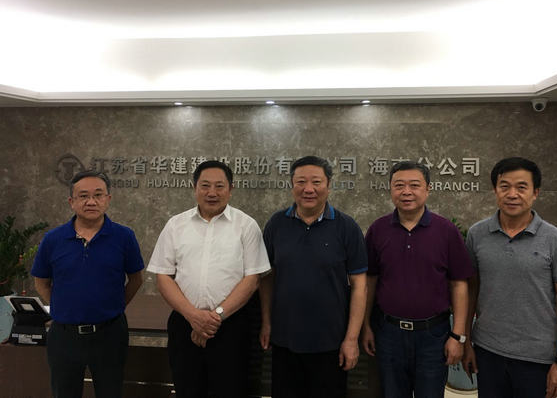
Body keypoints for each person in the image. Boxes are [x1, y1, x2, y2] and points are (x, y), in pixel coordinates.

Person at [147, 160, 270, 398]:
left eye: (219, 186)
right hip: (185, 324)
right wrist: (193, 316)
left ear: (230, 189)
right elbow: (163, 276)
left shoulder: (246, 225)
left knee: (231, 389)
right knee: (187, 389)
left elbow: (253, 279)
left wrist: (214, 318)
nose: (212, 192)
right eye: (205, 186)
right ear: (194, 187)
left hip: (231, 326)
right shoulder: (176, 225)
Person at [462, 157, 557, 398]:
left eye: (521, 187)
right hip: (488, 351)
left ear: (535, 193)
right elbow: (471, 291)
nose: (512, 194)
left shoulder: (556, 240)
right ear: (495, 190)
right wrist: (466, 343)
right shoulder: (477, 234)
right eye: (504, 186)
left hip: (536, 358)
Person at [361, 160, 474, 398]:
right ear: (390, 189)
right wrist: (366, 326)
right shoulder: (378, 229)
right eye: (399, 185)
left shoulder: (446, 231)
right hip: (388, 333)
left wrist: (458, 335)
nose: (406, 191)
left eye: (414, 185)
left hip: (434, 336)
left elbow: (459, 284)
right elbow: (370, 281)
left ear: (428, 189)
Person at [258, 155, 368, 398]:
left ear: (328, 185)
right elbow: (266, 278)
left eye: (316, 182)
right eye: (301, 182)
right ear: (292, 185)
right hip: (284, 341)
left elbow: (360, 286)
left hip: (331, 343)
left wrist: (351, 339)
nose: (308, 189)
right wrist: (266, 322)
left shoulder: (347, 227)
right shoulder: (277, 224)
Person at [31, 170, 144, 398]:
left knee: (110, 392)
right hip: (64, 335)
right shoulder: (53, 239)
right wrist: (63, 307)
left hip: (110, 333)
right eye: (83, 196)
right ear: (71, 202)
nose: (91, 202)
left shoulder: (124, 236)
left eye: (98, 195)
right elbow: (41, 282)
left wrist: (114, 306)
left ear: (108, 199)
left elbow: (135, 279)